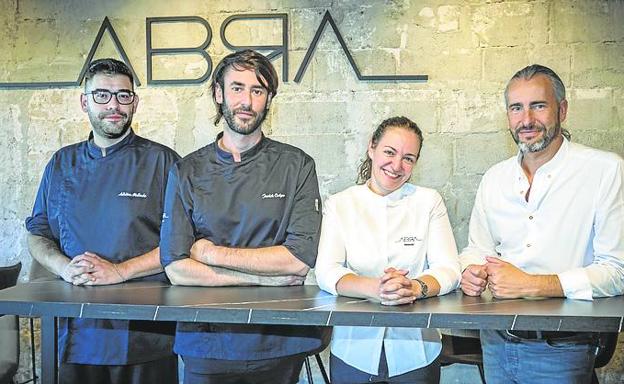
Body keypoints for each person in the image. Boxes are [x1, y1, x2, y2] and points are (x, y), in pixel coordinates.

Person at [159, 49, 325, 384]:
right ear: (219, 94)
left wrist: (211, 254)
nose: (246, 101)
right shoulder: (187, 170)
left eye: (257, 90)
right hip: (206, 343)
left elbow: (298, 260)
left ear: (268, 99)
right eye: (237, 88)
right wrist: (264, 278)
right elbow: (176, 267)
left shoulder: (297, 166)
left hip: (279, 339)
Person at [459, 64, 624, 383]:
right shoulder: (494, 178)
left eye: (538, 105)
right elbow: (475, 249)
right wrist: (471, 271)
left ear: (562, 109)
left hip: (564, 347)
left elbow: (618, 271)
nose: (526, 120)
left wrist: (532, 283)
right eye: (516, 108)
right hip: (495, 341)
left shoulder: (606, 170)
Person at [25, 58, 179, 384]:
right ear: (84, 102)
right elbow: (38, 233)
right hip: (75, 330)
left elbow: (181, 241)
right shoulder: (61, 163)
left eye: (123, 96)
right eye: (102, 95)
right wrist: (64, 267)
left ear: (134, 102)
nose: (114, 105)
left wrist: (121, 271)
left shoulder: (163, 162)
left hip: (144, 332)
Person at [315, 116, 461, 384]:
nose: (396, 166)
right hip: (353, 350)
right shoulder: (340, 204)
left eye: (408, 158)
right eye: (389, 152)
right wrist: (376, 289)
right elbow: (326, 271)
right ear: (372, 147)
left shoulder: (429, 201)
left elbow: (449, 270)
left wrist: (413, 287)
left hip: (417, 350)